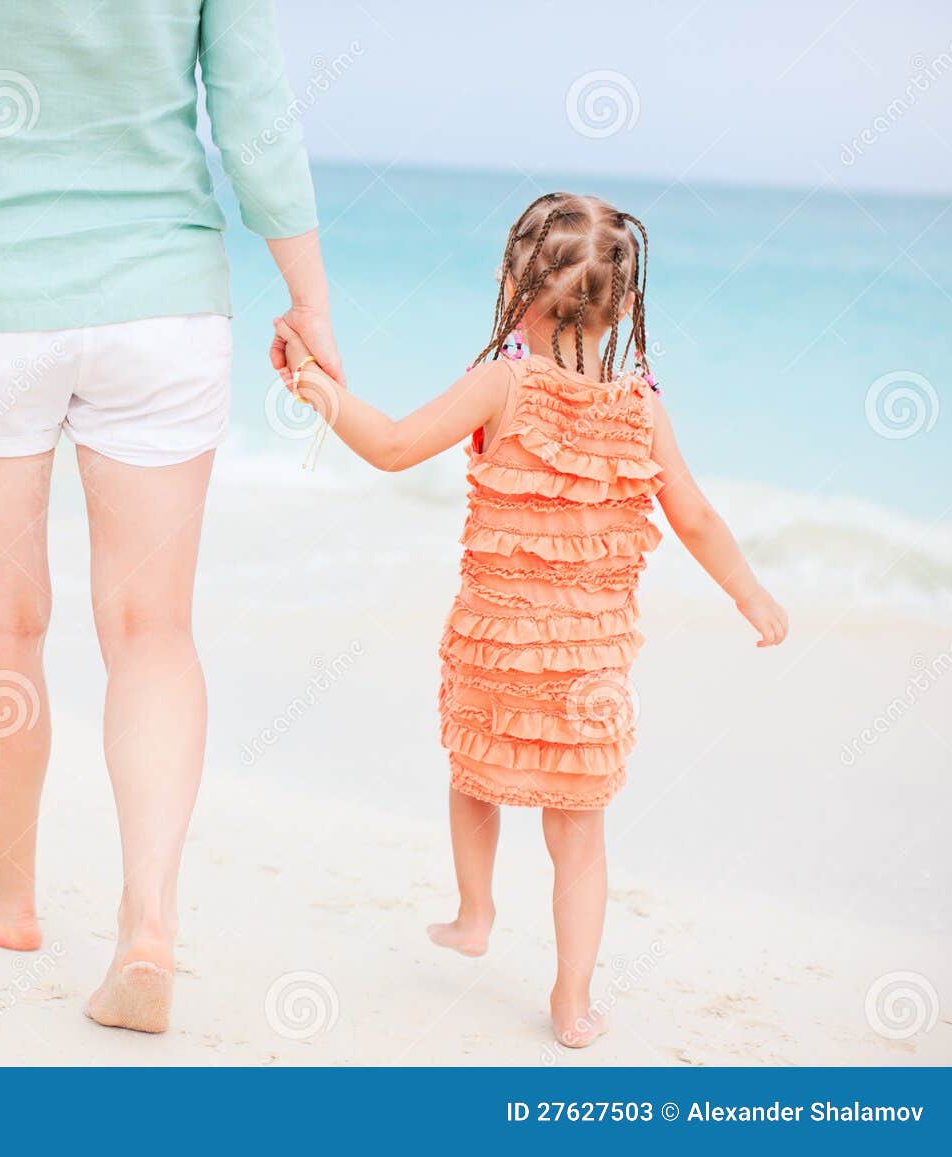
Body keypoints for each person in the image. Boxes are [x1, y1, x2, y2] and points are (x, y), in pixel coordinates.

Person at [0, 0, 342, 1033]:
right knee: (152, 628)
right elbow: (253, 103)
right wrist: (307, 296)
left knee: (0, 623)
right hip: (160, 301)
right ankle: (148, 925)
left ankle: (9, 894)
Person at [273, 192, 789, 1047]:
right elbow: (693, 515)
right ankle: (572, 1000)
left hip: (496, 646)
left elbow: (396, 445)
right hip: (590, 666)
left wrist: (312, 386)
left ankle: (475, 914)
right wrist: (750, 593)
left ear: (517, 278)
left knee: (474, 774)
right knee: (578, 834)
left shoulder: (503, 381)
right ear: (624, 304)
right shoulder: (641, 406)